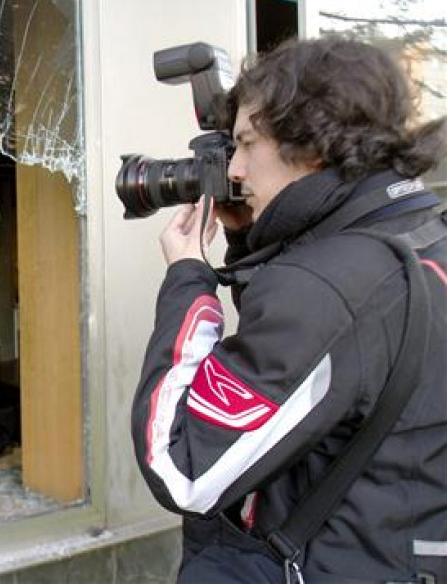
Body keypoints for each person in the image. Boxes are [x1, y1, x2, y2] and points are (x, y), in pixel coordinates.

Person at [131, 35, 446, 583]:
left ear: (313, 144)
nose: (233, 171)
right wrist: (254, 242)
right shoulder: (415, 240)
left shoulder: (329, 285)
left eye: (248, 144)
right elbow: (317, 382)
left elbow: (181, 467)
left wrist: (188, 282)